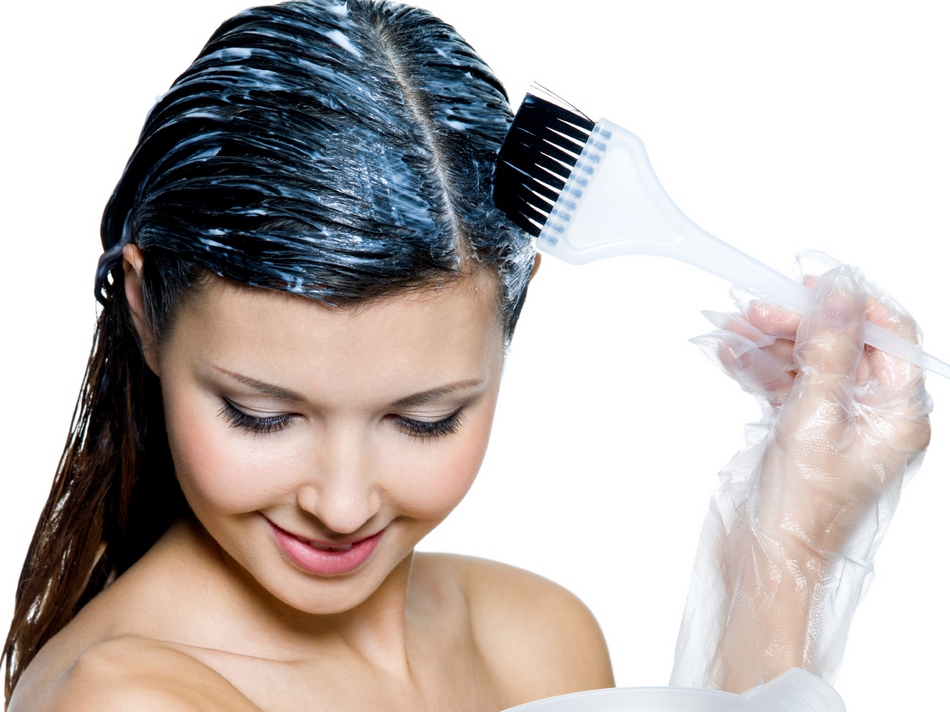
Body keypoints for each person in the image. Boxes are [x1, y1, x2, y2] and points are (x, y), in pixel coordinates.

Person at [1, 0, 931, 709]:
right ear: (145, 311)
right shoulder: (131, 698)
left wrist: (790, 533)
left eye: (425, 419)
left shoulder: (538, 641)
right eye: (263, 415)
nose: (342, 504)